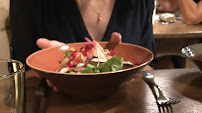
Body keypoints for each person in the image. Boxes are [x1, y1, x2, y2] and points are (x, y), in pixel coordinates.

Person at [9, 0, 156, 83]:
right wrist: (53, 69)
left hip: (127, 111)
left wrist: (125, 70)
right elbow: (18, 77)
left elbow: (148, 68)